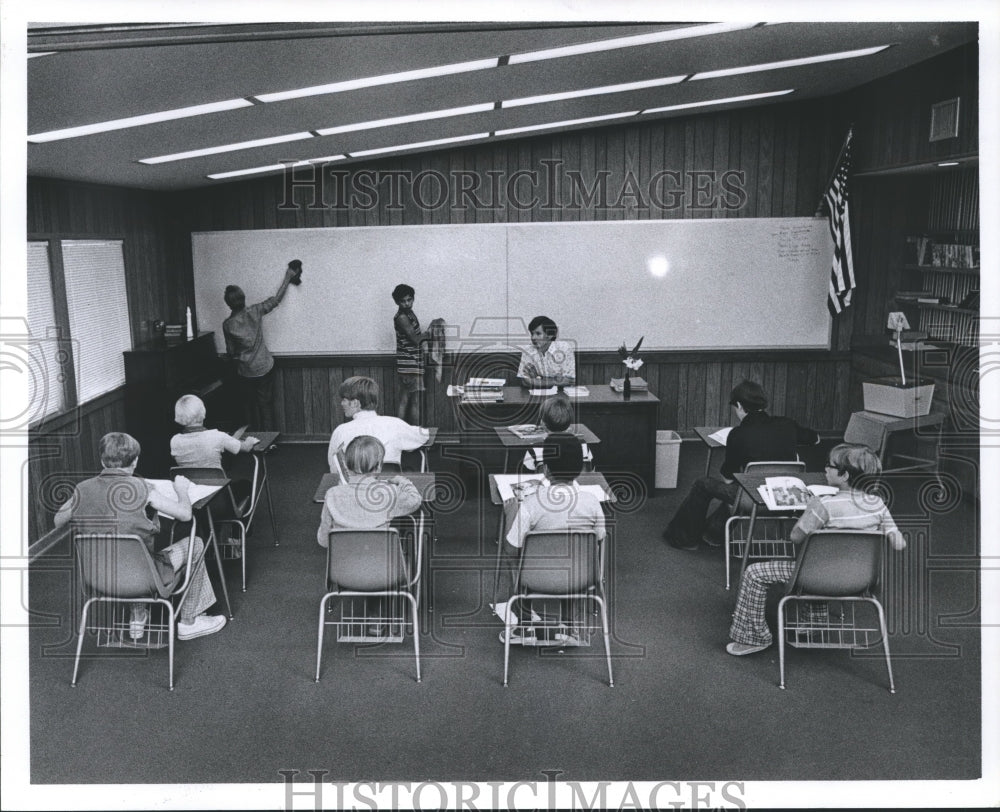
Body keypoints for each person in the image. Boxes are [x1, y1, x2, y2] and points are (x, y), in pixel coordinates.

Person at [726, 443, 905, 656]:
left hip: (816, 577)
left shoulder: (824, 505)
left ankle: (753, 638)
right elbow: (899, 543)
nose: (825, 469)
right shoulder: (878, 504)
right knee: (825, 557)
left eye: (830, 466)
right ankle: (814, 621)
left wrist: (810, 510)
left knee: (754, 573)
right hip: (860, 580)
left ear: (845, 475)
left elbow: (795, 537)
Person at [53, 432, 226, 641]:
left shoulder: (81, 489)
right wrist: (181, 490)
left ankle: (138, 616)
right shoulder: (142, 488)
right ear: (135, 461)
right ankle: (189, 622)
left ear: (102, 461)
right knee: (195, 544)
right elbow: (185, 514)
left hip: (97, 578)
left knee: (128, 552)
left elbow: (58, 520)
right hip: (141, 578)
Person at [662, 379, 820, 550]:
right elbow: (816, 439)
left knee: (705, 484)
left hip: (752, 499)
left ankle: (683, 538)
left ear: (738, 405)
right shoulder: (787, 424)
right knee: (741, 486)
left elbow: (728, 477)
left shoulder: (738, 434)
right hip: (788, 496)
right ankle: (713, 534)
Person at [497, 435, 606, 642]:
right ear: (580, 469)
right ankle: (568, 627)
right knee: (574, 556)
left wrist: (511, 513)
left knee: (516, 559)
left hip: (534, 579)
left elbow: (510, 549)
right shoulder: (592, 503)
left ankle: (524, 626)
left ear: (545, 470)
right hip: (580, 578)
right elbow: (600, 538)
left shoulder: (531, 504)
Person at [222, 263, 299, 429]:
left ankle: (252, 438)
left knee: (249, 407)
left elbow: (231, 351)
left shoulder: (228, 325)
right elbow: (276, 300)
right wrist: (287, 277)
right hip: (264, 366)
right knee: (266, 406)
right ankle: (269, 439)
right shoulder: (255, 311)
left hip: (245, 371)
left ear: (228, 304)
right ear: (243, 299)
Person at [316, 435, 422, 547]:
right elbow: (415, 500)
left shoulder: (331, 495)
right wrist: (403, 481)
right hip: (381, 557)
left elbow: (324, 541)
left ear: (346, 466)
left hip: (342, 557)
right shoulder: (390, 492)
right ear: (379, 466)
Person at [327, 376, 429, 473]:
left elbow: (335, 469)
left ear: (355, 403)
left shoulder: (340, 431)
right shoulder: (395, 424)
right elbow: (424, 436)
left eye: (344, 400)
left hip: (356, 485)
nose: (342, 403)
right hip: (390, 484)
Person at [521, 393, 593, 473]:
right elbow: (590, 471)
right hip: (576, 481)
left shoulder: (535, 448)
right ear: (569, 424)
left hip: (546, 481)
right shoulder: (583, 445)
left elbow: (526, 475)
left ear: (542, 423)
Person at [392, 283, 431, 425]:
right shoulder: (402, 317)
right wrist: (429, 333)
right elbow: (415, 339)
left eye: (409, 300)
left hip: (408, 364)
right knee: (415, 402)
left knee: (405, 400)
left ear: (413, 299)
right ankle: (414, 433)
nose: (407, 303)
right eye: (403, 301)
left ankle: (401, 432)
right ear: (397, 302)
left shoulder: (408, 314)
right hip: (411, 364)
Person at [517, 316, 576, 388]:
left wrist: (538, 378)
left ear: (550, 335)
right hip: (535, 393)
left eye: (538, 334)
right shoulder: (528, 350)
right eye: (532, 334)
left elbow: (569, 381)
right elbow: (525, 382)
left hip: (561, 393)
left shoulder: (564, 349)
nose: (533, 338)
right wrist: (555, 381)